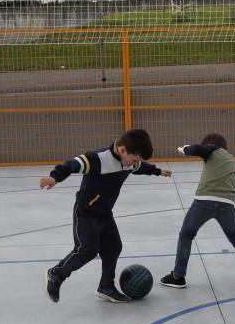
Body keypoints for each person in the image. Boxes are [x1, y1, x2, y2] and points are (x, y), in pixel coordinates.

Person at [40, 129, 172, 303]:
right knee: (87, 250)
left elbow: (139, 167)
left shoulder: (128, 161)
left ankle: (106, 287)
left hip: (105, 213)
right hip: (85, 213)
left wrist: (157, 171)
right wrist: (54, 178)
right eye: (134, 159)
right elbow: (72, 164)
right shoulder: (98, 158)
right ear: (123, 150)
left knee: (113, 247)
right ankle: (56, 274)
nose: (134, 164)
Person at [159, 133, 235, 289]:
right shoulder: (231, 159)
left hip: (204, 201)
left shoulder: (213, 150)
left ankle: (178, 276)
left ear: (211, 146)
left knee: (186, 235)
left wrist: (184, 149)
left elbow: (197, 149)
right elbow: (233, 185)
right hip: (227, 204)